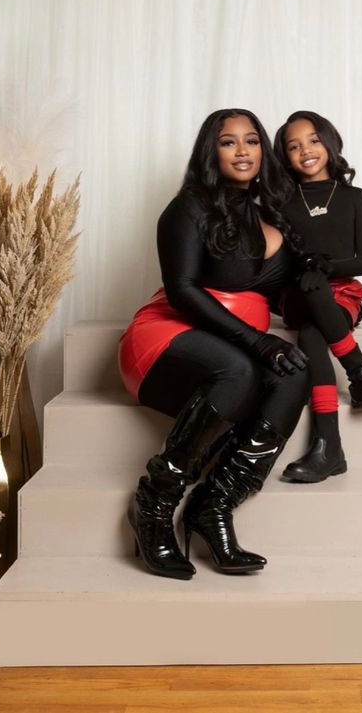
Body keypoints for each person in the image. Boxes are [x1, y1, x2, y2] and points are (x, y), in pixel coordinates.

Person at [118, 109, 308, 580]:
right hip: (166, 337)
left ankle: (214, 504)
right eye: (229, 142)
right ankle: (154, 507)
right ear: (211, 151)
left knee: (294, 371)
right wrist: (259, 343)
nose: (243, 151)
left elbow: (276, 292)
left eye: (252, 141)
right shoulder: (188, 208)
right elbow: (183, 290)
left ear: (265, 149)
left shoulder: (266, 211)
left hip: (233, 344)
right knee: (240, 370)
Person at [273, 110, 362, 484]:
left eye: (313, 140)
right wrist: (308, 268)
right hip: (297, 295)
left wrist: (323, 266)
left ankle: (328, 448)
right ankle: (359, 371)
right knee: (310, 282)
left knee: (311, 336)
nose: (305, 150)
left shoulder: (354, 197)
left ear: (329, 142)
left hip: (339, 294)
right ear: (284, 156)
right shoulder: (282, 202)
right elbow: (279, 263)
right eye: (294, 146)